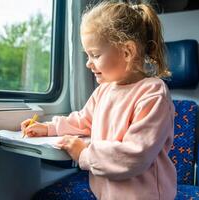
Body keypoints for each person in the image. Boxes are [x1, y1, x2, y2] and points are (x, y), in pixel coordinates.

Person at [21, 1, 176, 199]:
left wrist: (84, 154)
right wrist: (49, 128)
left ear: (127, 52)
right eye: (87, 55)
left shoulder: (153, 94)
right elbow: (82, 120)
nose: (88, 63)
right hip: (108, 193)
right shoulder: (104, 90)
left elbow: (135, 155)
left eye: (95, 55)